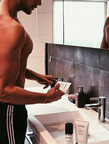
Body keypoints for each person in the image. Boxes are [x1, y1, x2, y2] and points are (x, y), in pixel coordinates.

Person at [0, 0, 64, 143]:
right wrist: (46, 98)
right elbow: (4, 91)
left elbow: (5, 65)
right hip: (8, 110)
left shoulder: (9, 21)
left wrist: (35, 76)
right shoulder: (12, 27)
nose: (40, 3)